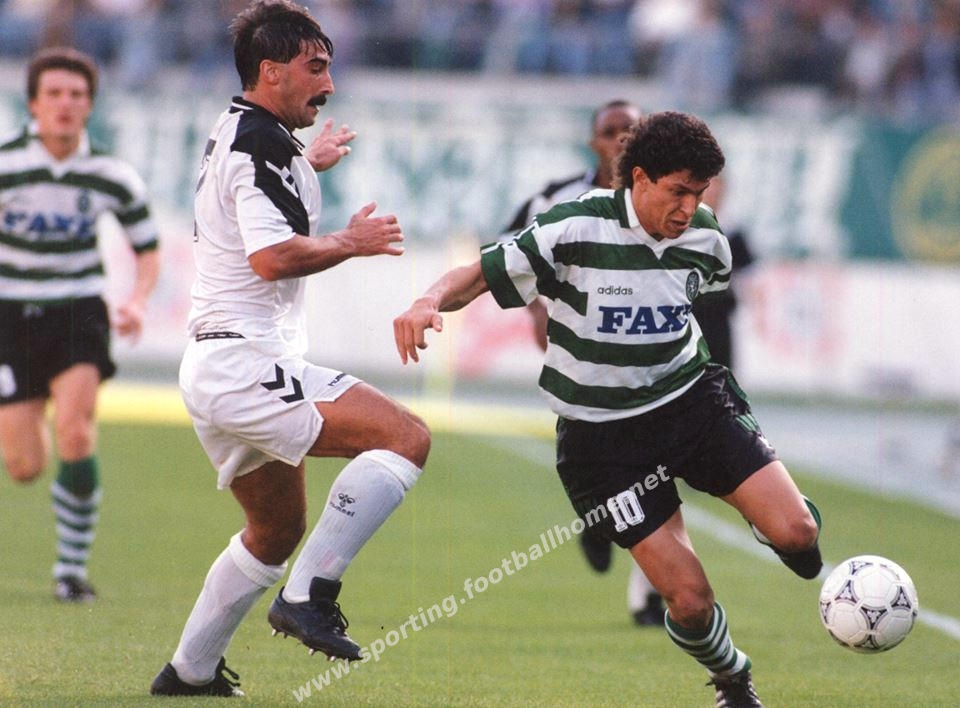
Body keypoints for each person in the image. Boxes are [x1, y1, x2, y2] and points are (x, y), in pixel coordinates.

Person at [394, 111, 822, 707]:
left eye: (700, 193)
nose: (690, 208)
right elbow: (479, 274)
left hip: (690, 406)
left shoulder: (706, 239)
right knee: (690, 602)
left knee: (799, 536)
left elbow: (702, 295)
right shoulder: (572, 227)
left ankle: (769, 513)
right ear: (639, 177)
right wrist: (426, 301)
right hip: (602, 442)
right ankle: (732, 678)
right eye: (678, 191)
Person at [150, 0, 430, 698]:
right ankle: (308, 596)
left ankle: (189, 671)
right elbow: (271, 258)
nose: (328, 83)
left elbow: (254, 201)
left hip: (214, 363)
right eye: (316, 67)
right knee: (405, 438)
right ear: (271, 70)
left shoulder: (246, 130)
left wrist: (309, 161)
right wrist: (351, 242)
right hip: (246, 363)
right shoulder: (262, 143)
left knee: (275, 530)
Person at [0, 46, 160, 603]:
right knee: (24, 466)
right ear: (33, 104)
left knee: (76, 431)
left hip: (77, 312)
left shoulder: (111, 174)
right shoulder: (6, 166)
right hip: (11, 316)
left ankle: (70, 572)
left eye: (76, 95)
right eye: (54, 94)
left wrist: (137, 299)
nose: (65, 104)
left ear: (90, 105)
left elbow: (146, 246)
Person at [502, 98, 665, 627]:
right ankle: (599, 515)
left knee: (657, 461)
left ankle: (649, 593)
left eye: (630, 128)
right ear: (594, 141)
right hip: (578, 349)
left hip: (643, 348)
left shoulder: (664, 199)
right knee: (600, 451)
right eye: (610, 130)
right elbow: (509, 250)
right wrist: (535, 309)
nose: (620, 138)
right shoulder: (558, 197)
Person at [692, 174, 755, 370]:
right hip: (690, 313)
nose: (713, 195)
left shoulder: (732, 231)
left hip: (719, 314)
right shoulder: (685, 228)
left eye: (717, 190)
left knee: (720, 368)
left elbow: (748, 274)